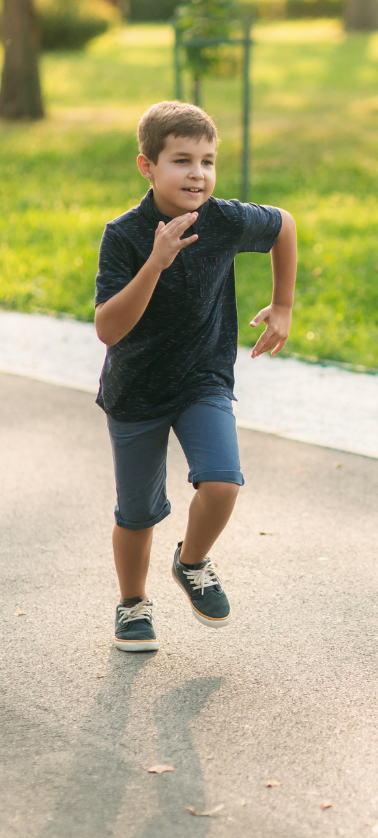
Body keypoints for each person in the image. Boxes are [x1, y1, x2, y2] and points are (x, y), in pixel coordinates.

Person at [95, 101, 296, 652]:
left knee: (223, 481)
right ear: (147, 166)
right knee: (136, 513)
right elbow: (108, 329)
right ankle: (132, 605)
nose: (198, 174)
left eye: (207, 161)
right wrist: (155, 262)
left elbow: (284, 224)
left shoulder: (224, 219)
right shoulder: (125, 235)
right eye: (182, 160)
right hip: (135, 391)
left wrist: (283, 305)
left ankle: (192, 561)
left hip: (203, 379)